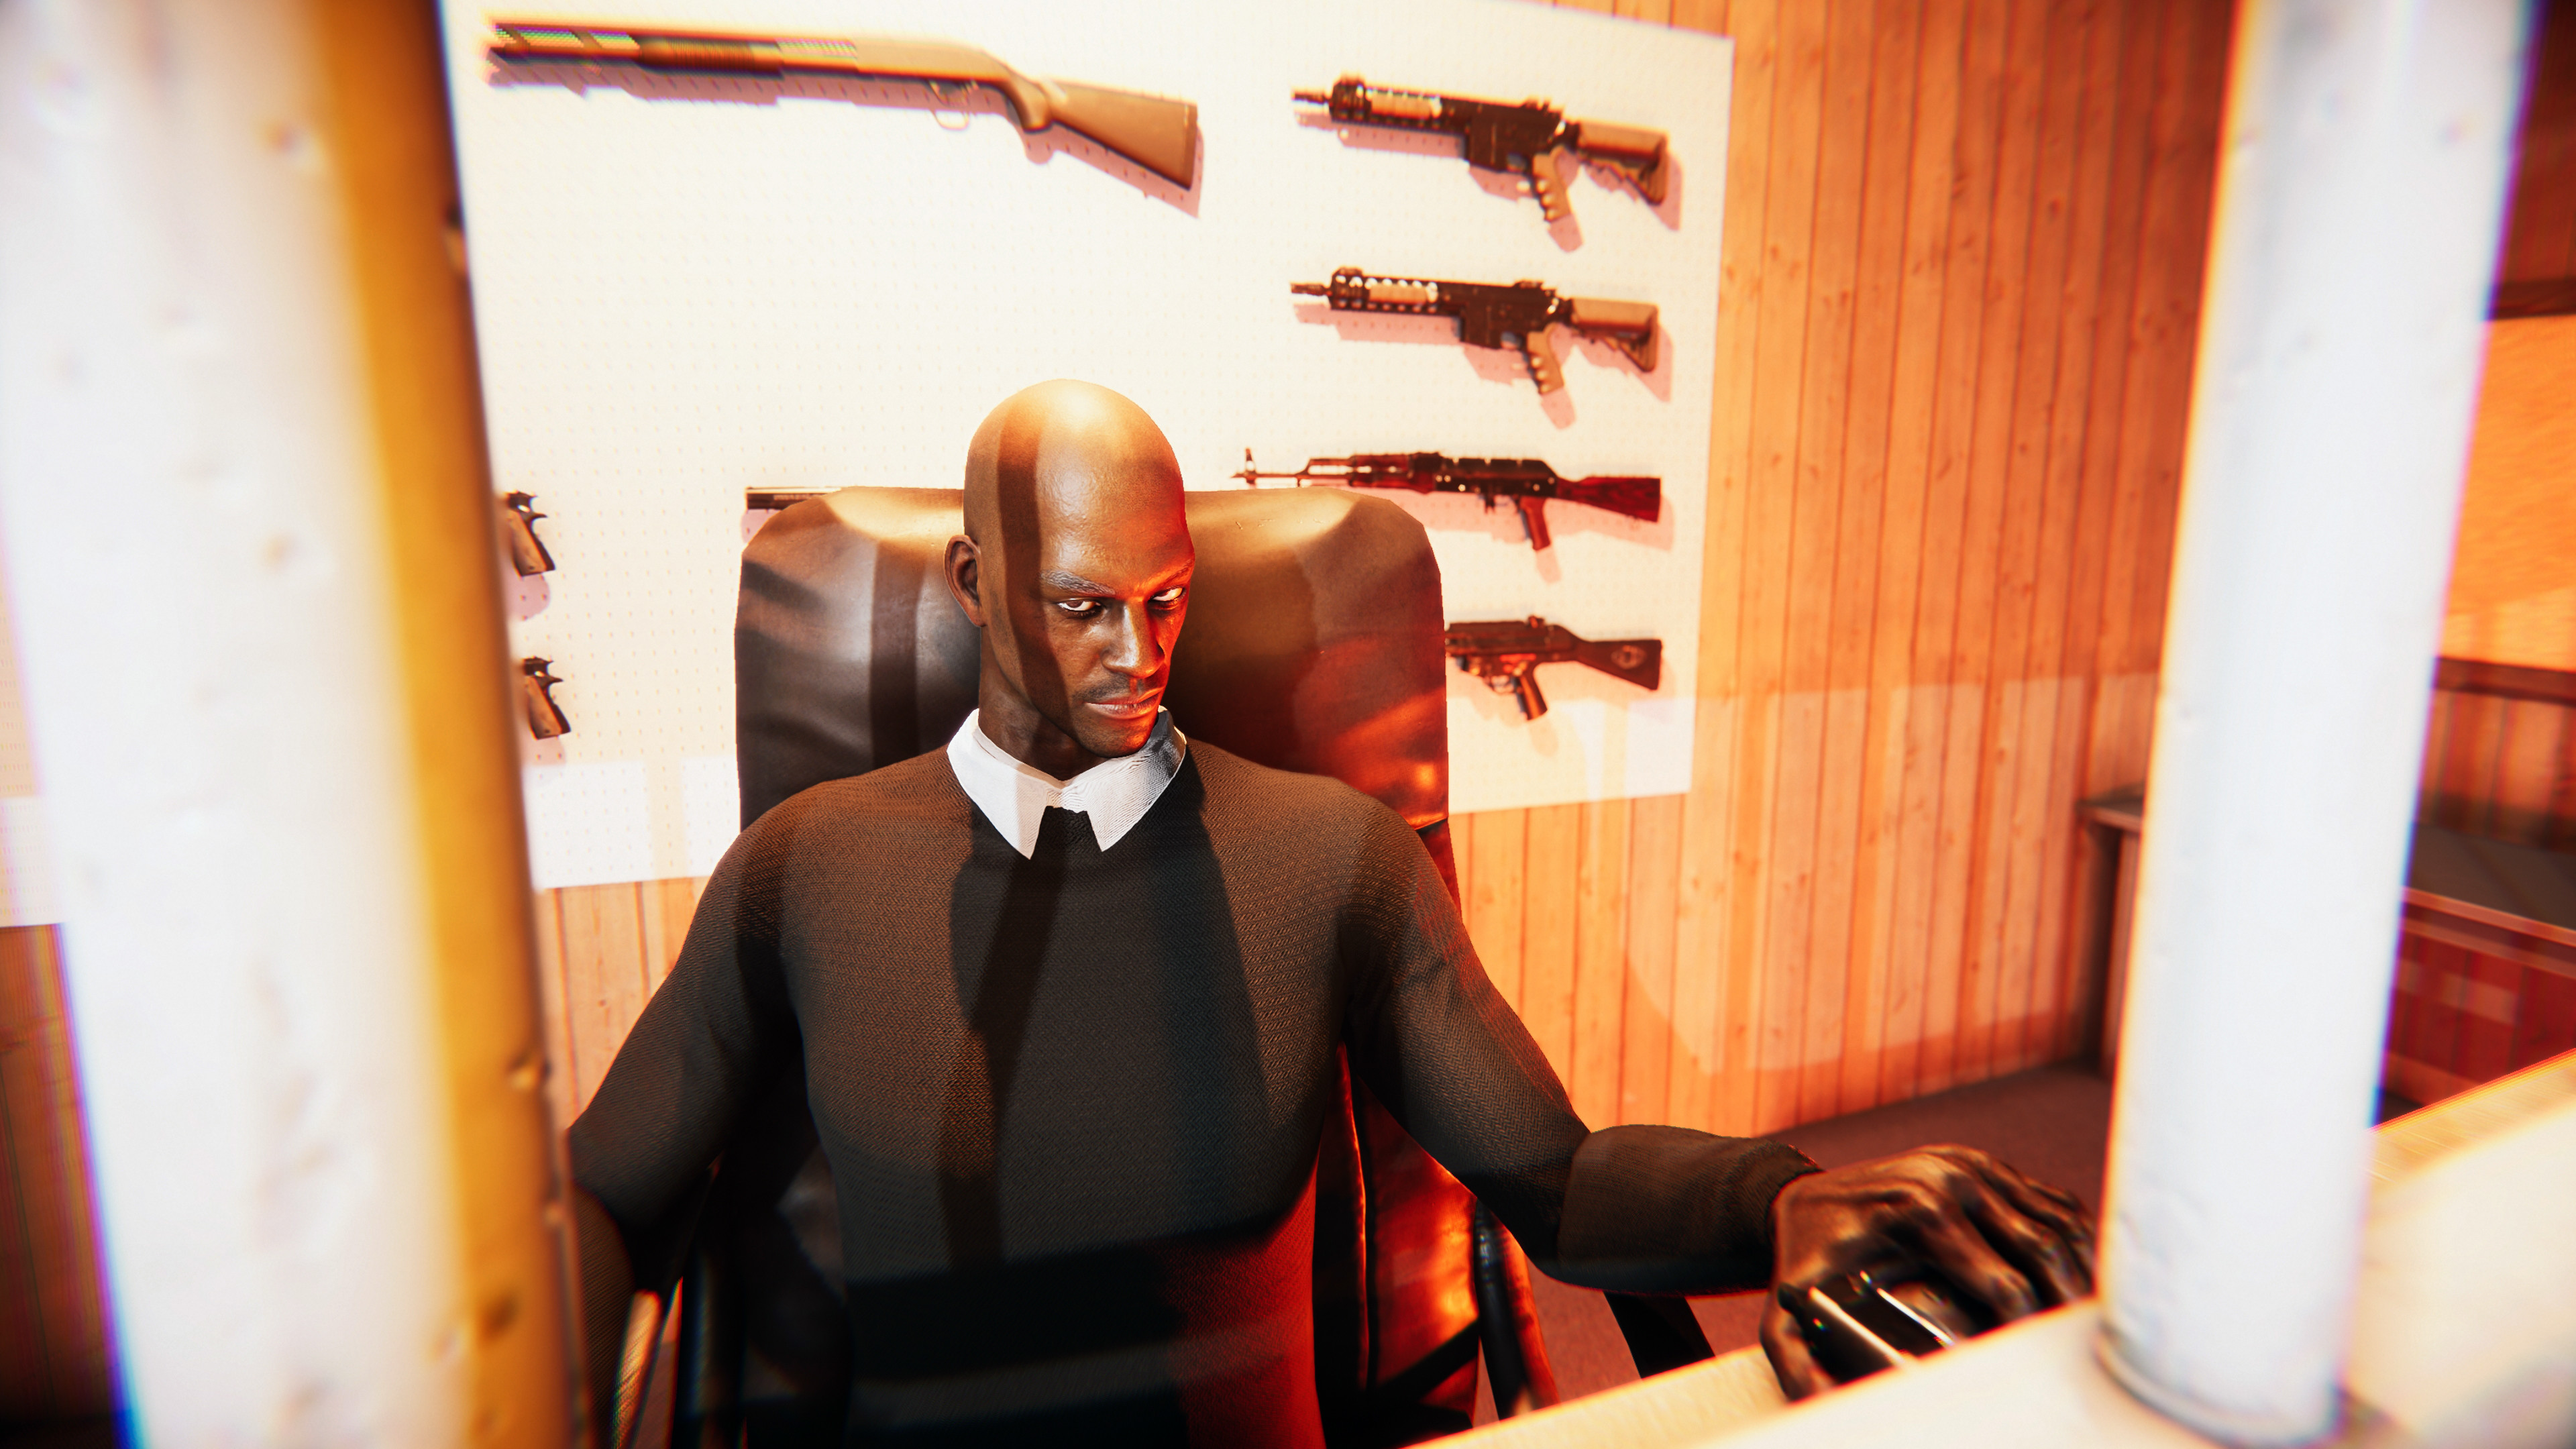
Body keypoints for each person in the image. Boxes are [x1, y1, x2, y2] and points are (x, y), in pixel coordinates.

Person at [567, 380, 2094, 1445]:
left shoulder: (1329, 856)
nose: (1138, 654)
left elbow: (1558, 1183)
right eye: (1084, 607)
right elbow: (601, 1196)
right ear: (976, 583)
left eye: (1167, 600)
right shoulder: (805, 869)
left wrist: (1781, 1200)